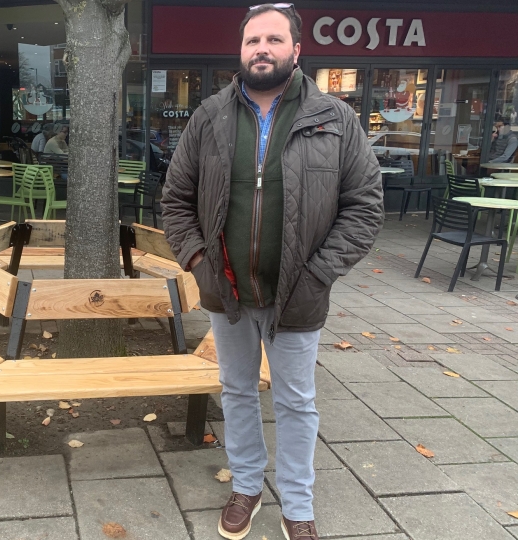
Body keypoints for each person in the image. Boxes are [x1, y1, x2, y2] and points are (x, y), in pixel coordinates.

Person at [160, 5, 383, 540]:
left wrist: (318, 273)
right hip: (227, 291)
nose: (262, 47)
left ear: (296, 50)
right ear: (241, 51)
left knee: (296, 402)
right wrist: (199, 265)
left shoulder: (335, 119)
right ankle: (246, 486)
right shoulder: (210, 116)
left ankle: (299, 506)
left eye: (274, 39)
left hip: (298, 295)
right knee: (236, 391)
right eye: (252, 39)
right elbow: (175, 201)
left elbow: (365, 205)